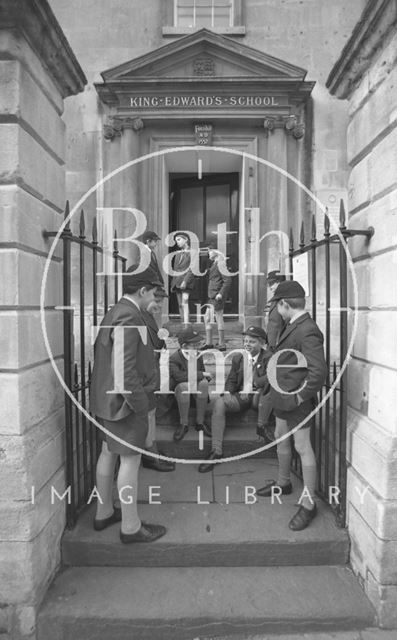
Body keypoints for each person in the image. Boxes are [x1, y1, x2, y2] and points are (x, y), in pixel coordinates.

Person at [90, 266, 167, 544]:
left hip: (108, 402)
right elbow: (125, 372)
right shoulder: (130, 316)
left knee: (108, 453)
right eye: (154, 294)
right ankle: (131, 527)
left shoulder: (116, 312)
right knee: (130, 462)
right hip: (125, 405)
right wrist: (141, 406)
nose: (155, 300)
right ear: (142, 290)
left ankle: (104, 512)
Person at [256, 280, 327, 532]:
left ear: (285, 304)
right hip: (283, 396)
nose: (277, 310)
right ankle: (283, 482)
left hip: (296, 399)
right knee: (279, 436)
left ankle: (309, 504)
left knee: (302, 446)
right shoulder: (293, 324)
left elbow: (318, 373)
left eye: (278, 306)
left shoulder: (307, 329)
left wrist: (299, 397)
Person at [199, 326, 271, 473]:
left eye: (252, 342)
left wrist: (252, 386)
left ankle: (262, 426)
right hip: (242, 397)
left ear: (262, 342)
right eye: (245, 341)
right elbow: (232, 380)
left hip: (261, 395)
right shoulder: (239, 358)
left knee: (262, 395)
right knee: (220, 403)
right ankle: (216, 451)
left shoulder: (269, 357)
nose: (247, 344)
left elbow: (271, 378)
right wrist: (227, 392)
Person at [140, 286, 175, 472]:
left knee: (151, 414)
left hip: (151, 374)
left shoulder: (148, 317)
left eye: (162, 301)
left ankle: (151, 452)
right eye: (157, 300)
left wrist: (163, 340)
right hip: (144, 377)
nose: (160, 305)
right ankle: (150, 455)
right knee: (147, 415)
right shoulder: (137, 316)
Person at [169, 328, 212, 442]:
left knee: (203, 383)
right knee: (183, 386)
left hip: (196, 394)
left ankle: (200, 422)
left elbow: (201, 372)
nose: (198, 347)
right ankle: (184, 424)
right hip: (181, 395)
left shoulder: (197, 355)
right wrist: (201, 374)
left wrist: (206, 377)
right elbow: (179, 377)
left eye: (198, 344)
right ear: (184, 346)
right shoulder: (173, 359)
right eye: (194, 345)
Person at [201, 246, 232, 351]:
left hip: (217, 296)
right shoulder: (215, 263)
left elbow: (227, 280)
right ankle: (209, 342)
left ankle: (221, 344)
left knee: (218, 317)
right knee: (208, 318)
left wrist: (221, 294)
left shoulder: (221, 263)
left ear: (216, 252)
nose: (208, 254)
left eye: (210, 252)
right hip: (212, 295)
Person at [170, 232, 195, 325]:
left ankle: (187, 326)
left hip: (186, 283)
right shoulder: (177, 254)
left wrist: (185, 281)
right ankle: (183, 325)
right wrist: (173, 283)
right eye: (176, 240)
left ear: (186, 240)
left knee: (185, 303)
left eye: (179, 240)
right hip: (177, 283)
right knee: (181, 305)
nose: (177, 242)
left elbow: (192, 269)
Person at [264, 270, 286, 351]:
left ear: (280, 282)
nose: (270, 287)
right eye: (268, 284)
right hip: (271, 343)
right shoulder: (273, 300)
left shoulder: (285, 300)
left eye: (272, 283)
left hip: (279, 344)